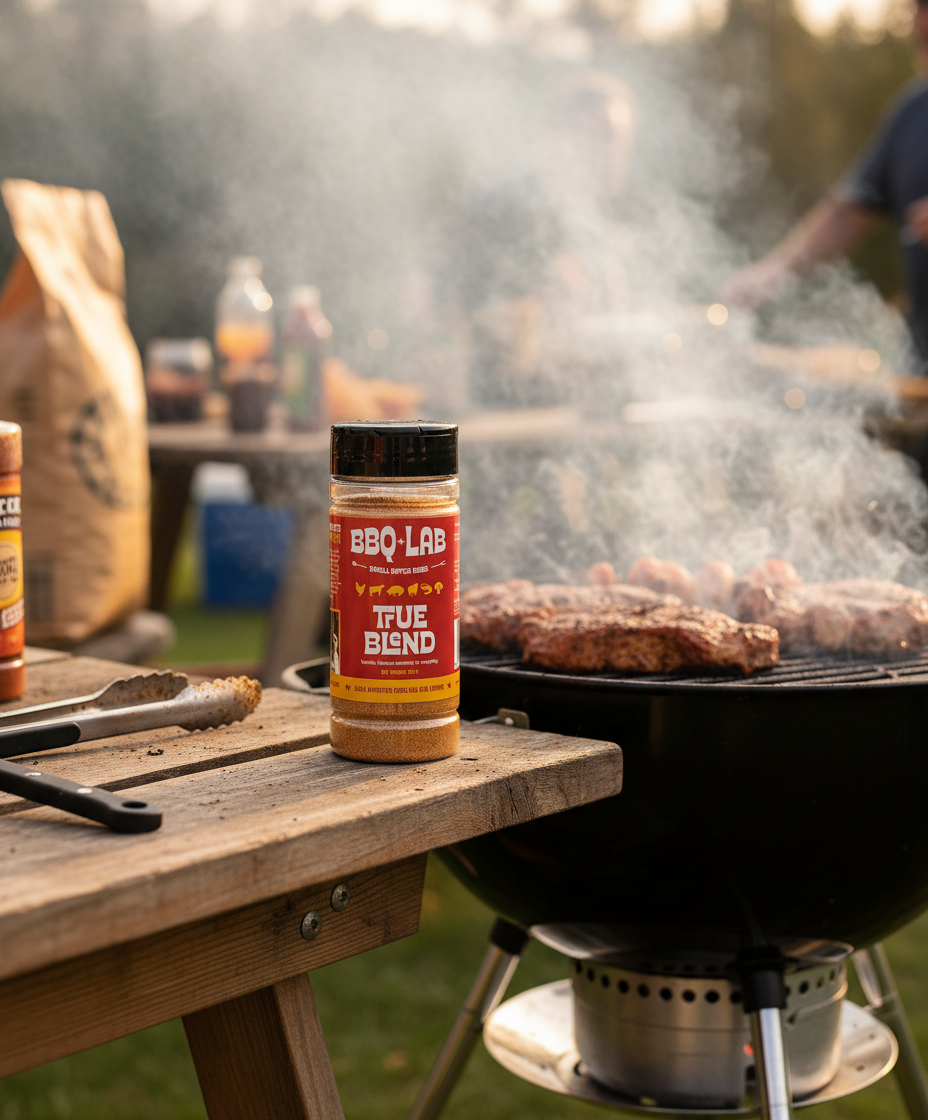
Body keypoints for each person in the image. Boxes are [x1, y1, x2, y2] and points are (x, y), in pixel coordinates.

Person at [723, 0, 928, 371]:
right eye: (916, 9)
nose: (917, 21)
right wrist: (771, 274)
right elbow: (848, 211)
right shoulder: (914, 112)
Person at [439, 71, 636, 407]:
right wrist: (537, 313)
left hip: (582, 407)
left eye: (617, 139)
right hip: (507, 414)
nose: (612, 152)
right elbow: (451, 305)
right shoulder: (502, 207)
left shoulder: (601, 218)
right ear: (559, 137)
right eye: (600, 137)